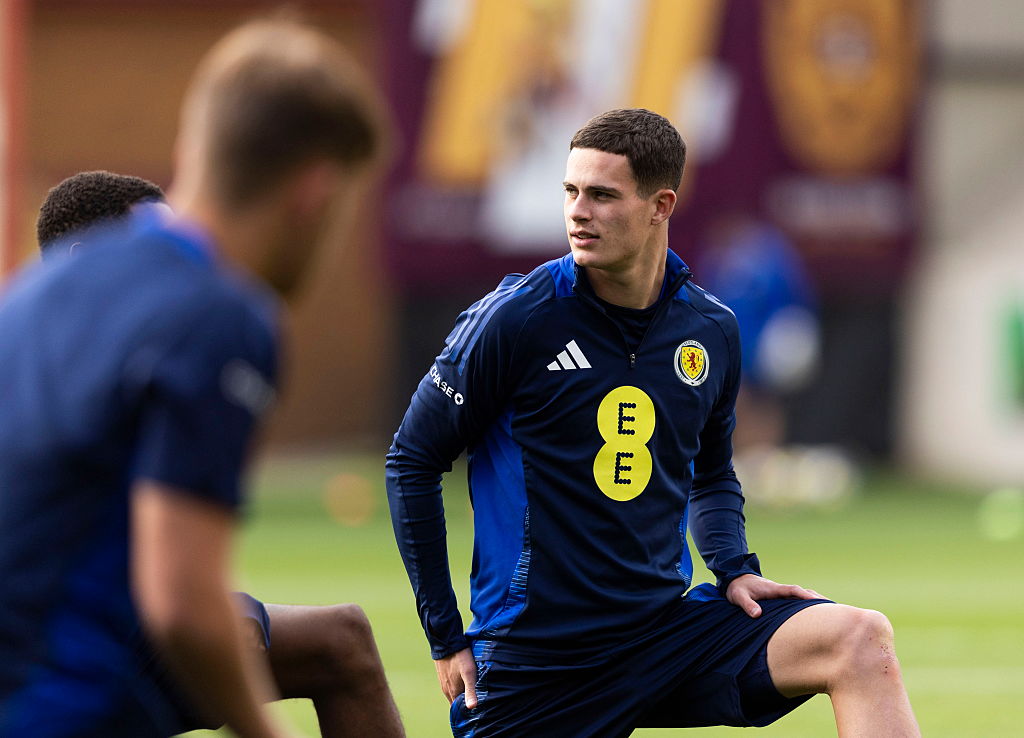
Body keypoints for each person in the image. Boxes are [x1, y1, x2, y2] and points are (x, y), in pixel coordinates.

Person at [386, 108, 919, 736]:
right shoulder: (516, 319)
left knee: (860, 638)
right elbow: (411, 462)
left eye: (602, 195)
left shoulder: (711, 329)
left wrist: (733, 566)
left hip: (663, 637)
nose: (578, 212)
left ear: (660, 205)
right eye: (571, 192)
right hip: (538, 659)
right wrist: (445, 635)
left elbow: (713, 473)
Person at [0, 19, 398, 738]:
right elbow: (183, 603)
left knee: (336, 642)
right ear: (316, 192)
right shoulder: (219, 316)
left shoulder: (39, 289)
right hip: (56, 706)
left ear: (195, 149)